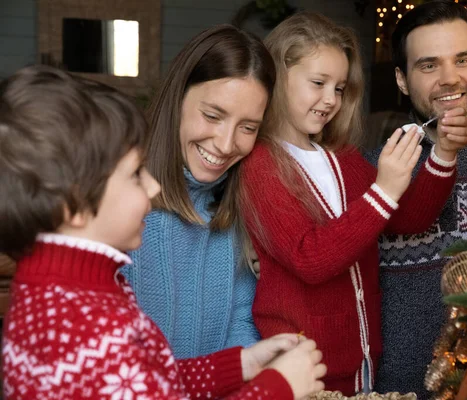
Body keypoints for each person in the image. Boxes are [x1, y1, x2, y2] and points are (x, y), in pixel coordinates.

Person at [0, 65, 327, 400]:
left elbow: (149, 380)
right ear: (74, 204)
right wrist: (277, 389)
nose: (153, 184)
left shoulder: (67, 291)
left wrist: (241, 364)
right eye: (135, 174)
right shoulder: (90, 328)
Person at [238, 11, 467, 396]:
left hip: (363, 363)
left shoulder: (342, 157)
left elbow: (407, 220)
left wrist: (444, 153)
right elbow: (311, 259)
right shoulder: (261, 165)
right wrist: (383, 191)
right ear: (278, 76)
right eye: (318, 83)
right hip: (302, 372)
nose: (330, 100)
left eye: (340, 88)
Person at [365, 1, 467, 397]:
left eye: (462, 60)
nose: (449, 79)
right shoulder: (373, 169)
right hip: (399, 392)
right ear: (402, 79)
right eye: (428, 65)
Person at [120, 25, 274, 359]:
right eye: (212, 115)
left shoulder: (242, 207)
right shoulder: (117, 205)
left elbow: (241, 321)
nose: (225, 144)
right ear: (178, 99)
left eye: (248, 127)